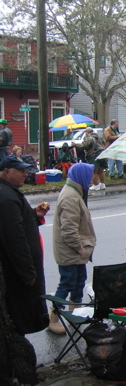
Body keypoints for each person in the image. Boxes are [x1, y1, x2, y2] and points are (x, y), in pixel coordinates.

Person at [0, 155, 50, 383]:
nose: (24, 174)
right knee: (19, 315)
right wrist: (28, 272)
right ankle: (18, 366)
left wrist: (33, 214)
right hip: (18, 275)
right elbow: (15, 238)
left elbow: (19, 222)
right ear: (6, 172)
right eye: (19, 171)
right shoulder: (6, 197)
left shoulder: (11, 194)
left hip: (23, 271)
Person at [50, 163, 97, 334]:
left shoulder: (76, 192)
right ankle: (53, 318)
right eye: (91, 174)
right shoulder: (71, 197)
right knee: (67, 283)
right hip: (70, 252)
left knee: (78, 283)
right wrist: (80, 249)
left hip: (76, 252)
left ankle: (74, 313)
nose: (93, 178)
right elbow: (69, 230)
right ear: (83, 176)